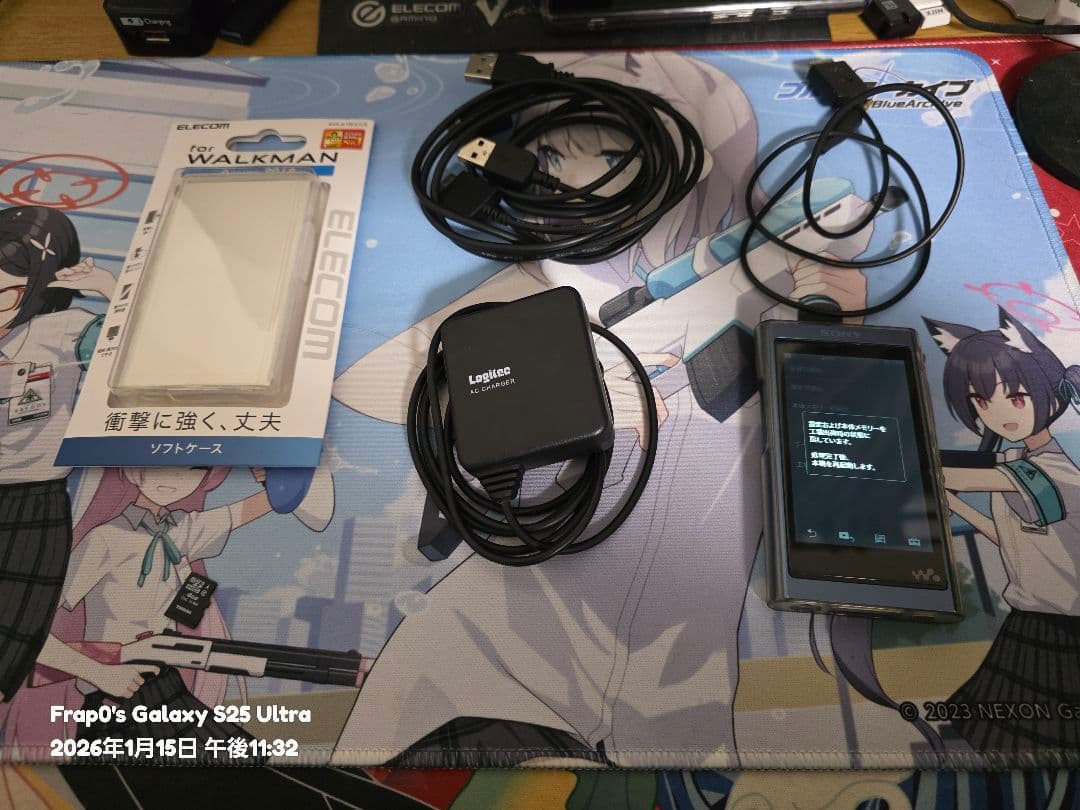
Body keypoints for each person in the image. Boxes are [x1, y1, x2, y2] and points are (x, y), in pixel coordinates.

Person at [331, 51, 876, 767]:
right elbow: (371, 384)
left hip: (678, 665)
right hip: (494, 634)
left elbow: (830, 391)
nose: (569, 180)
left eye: (614, 157)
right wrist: (551, 376)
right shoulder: (549, 289)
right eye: (550, 155)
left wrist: (821, 300)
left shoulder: (770, 275)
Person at [925, 308, 1080, 755]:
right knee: (986, 738)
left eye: (1015, 397)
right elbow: (1010, 539)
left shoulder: (1053, 471)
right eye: (980, 400)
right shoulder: (1017, 463)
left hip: (1063, 628)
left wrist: (903, 452)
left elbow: (962, 475)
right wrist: (953, 505)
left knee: (1032, 745)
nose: (997, 414)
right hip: (1029, 619)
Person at [0, 205, 115, 703]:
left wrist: (112, 289)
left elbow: (144, 354)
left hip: (32, 503)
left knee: (9, 638)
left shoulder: (64, 330)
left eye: (6, 294)